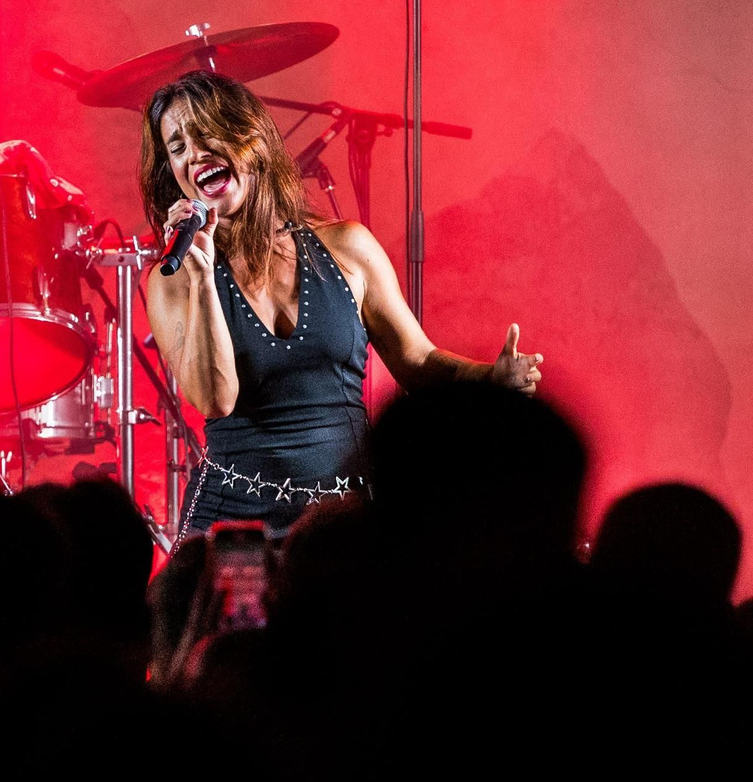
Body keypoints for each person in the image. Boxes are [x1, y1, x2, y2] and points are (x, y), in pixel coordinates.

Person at [141, 71, 543, 534]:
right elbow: (215, 399)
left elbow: (416, 360)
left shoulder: (348, 247)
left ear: (250, 135)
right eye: (177, 148)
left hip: (346, 524)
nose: (195, 154)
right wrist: (203, 278)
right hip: (232, 526)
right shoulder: (174, 278)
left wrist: (489, 379)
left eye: (206, 132)